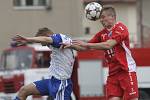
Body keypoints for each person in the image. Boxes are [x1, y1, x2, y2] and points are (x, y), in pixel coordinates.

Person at [63, 6, 139, 100]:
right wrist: (69, 45)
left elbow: (108, 45)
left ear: (112, 17)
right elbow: (84, 47)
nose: (101, 20)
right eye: (100, 18)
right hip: (113, 73)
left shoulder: (121, 28)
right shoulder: (102, 34)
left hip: (126, 71)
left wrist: (87, 45)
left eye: (103, 17)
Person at [13, 27, 75, 100]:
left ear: (47, 35)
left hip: (61, 84)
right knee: (24, 91)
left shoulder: (59, 38)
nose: (43, 45)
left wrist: (27, 39)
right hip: (52, 81)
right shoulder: (56, 42)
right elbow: (45, 40)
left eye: (42, 43)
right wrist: (28, 42)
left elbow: (46, 39)